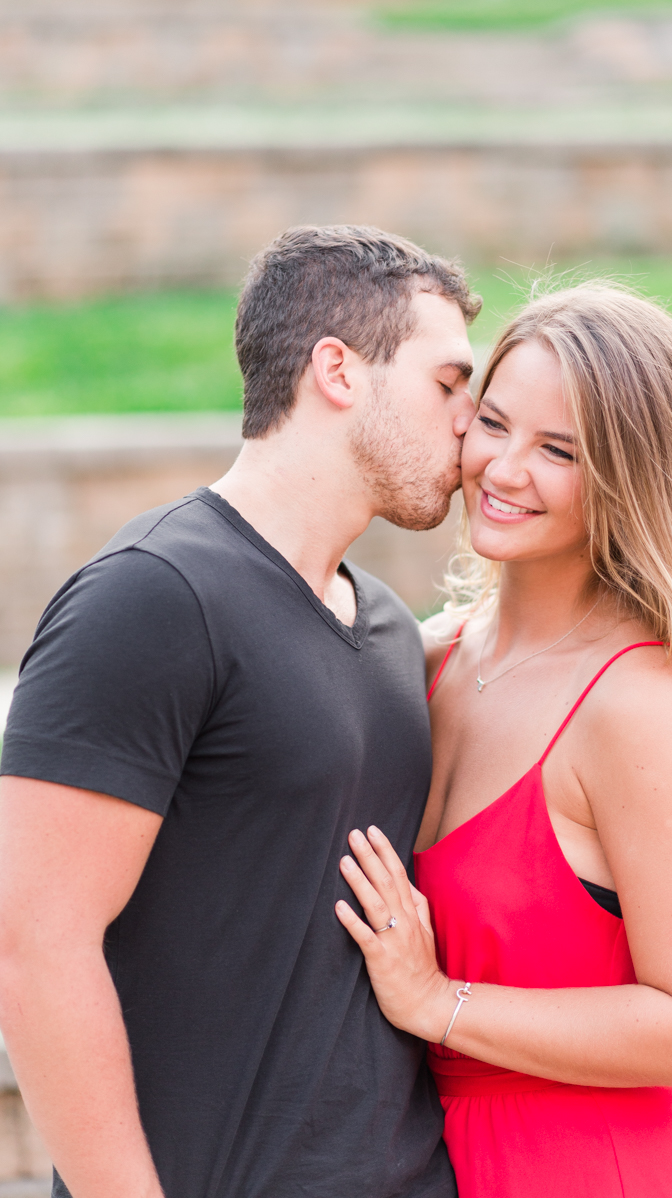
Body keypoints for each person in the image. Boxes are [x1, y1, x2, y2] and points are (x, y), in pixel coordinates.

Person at [0, 225, 482, 1198]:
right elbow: (33, 941)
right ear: (337, 371)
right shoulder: (152, 598)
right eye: (446, 384)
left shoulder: (386, 627)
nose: (471, 424)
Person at [336, 282, 672, 1196]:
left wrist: (435, 1002)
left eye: (558, 451)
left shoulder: (639, 704)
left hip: (608, 1168)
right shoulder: (428, 660)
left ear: (632, 478)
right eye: (492, 423)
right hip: (433, 1159)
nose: (501, 469)